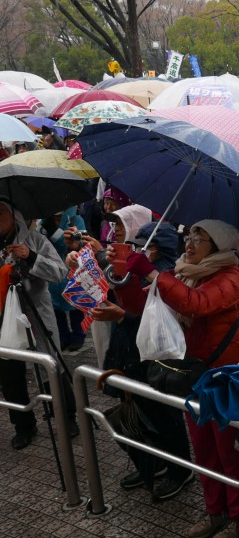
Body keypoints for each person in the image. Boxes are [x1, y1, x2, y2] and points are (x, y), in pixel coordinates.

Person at [155, 220, 239, 538]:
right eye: (190, 235)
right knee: (205, 453)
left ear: (219, 245)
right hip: (194, 377)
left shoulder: (231, 276)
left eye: (201, 238)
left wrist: (154, 275)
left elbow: (196, 304)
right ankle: (215, 513)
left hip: (225, 378)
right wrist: (123, 274)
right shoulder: (184, 273)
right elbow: (148, 307)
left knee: (230, 455)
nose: (191, 243)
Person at [91, 220, 195, 502]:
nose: (132, 249)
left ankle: (180, 468)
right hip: (129, 352)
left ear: (156, 248)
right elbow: (125, 298)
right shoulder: (136, 270)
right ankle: (155, 462)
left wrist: (123, 315)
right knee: (141, 411)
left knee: (165, 414)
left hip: (155, 358)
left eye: (137, 245)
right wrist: (110, 265)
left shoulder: (167, 276)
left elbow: (158, 326)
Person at [0, 197, 75, 450]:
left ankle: (67, 417)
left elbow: (59, 272)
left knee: (50, 366)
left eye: (2, 212)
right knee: (10, 373)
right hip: (5, 319)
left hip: (36, 314)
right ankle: (24, 424)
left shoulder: (35, 240)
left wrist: (31, 257)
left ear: (15, 216)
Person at [41, 207, 87, 351]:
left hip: (71, 269)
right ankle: (63, 336)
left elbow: (78, 244)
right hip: (52, 271)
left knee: (75, 305)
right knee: (55, 306)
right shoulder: (43, 222)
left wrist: (54, 231)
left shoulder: (76, 220)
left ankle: (79, 336)